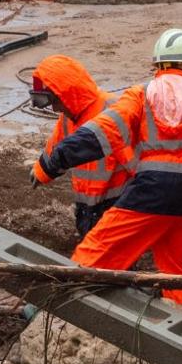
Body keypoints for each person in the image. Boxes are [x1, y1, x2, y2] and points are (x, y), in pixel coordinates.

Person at [32, 28, 182, 307]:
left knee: (97, 251)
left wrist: (53, 162)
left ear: (159, 65)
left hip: (153, 191)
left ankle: (53, 308)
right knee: (179, 267)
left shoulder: (141, 95)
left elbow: (102, 132)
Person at [29, 55, 134, 239]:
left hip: (115, 205)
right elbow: (56, 147)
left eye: (55, 102)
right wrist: (40, 172)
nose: (55, 109)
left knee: (111, 259)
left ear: (68, 94)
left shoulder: (111, 109)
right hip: (85, 207)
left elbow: (137, 163)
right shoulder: (68, 118)